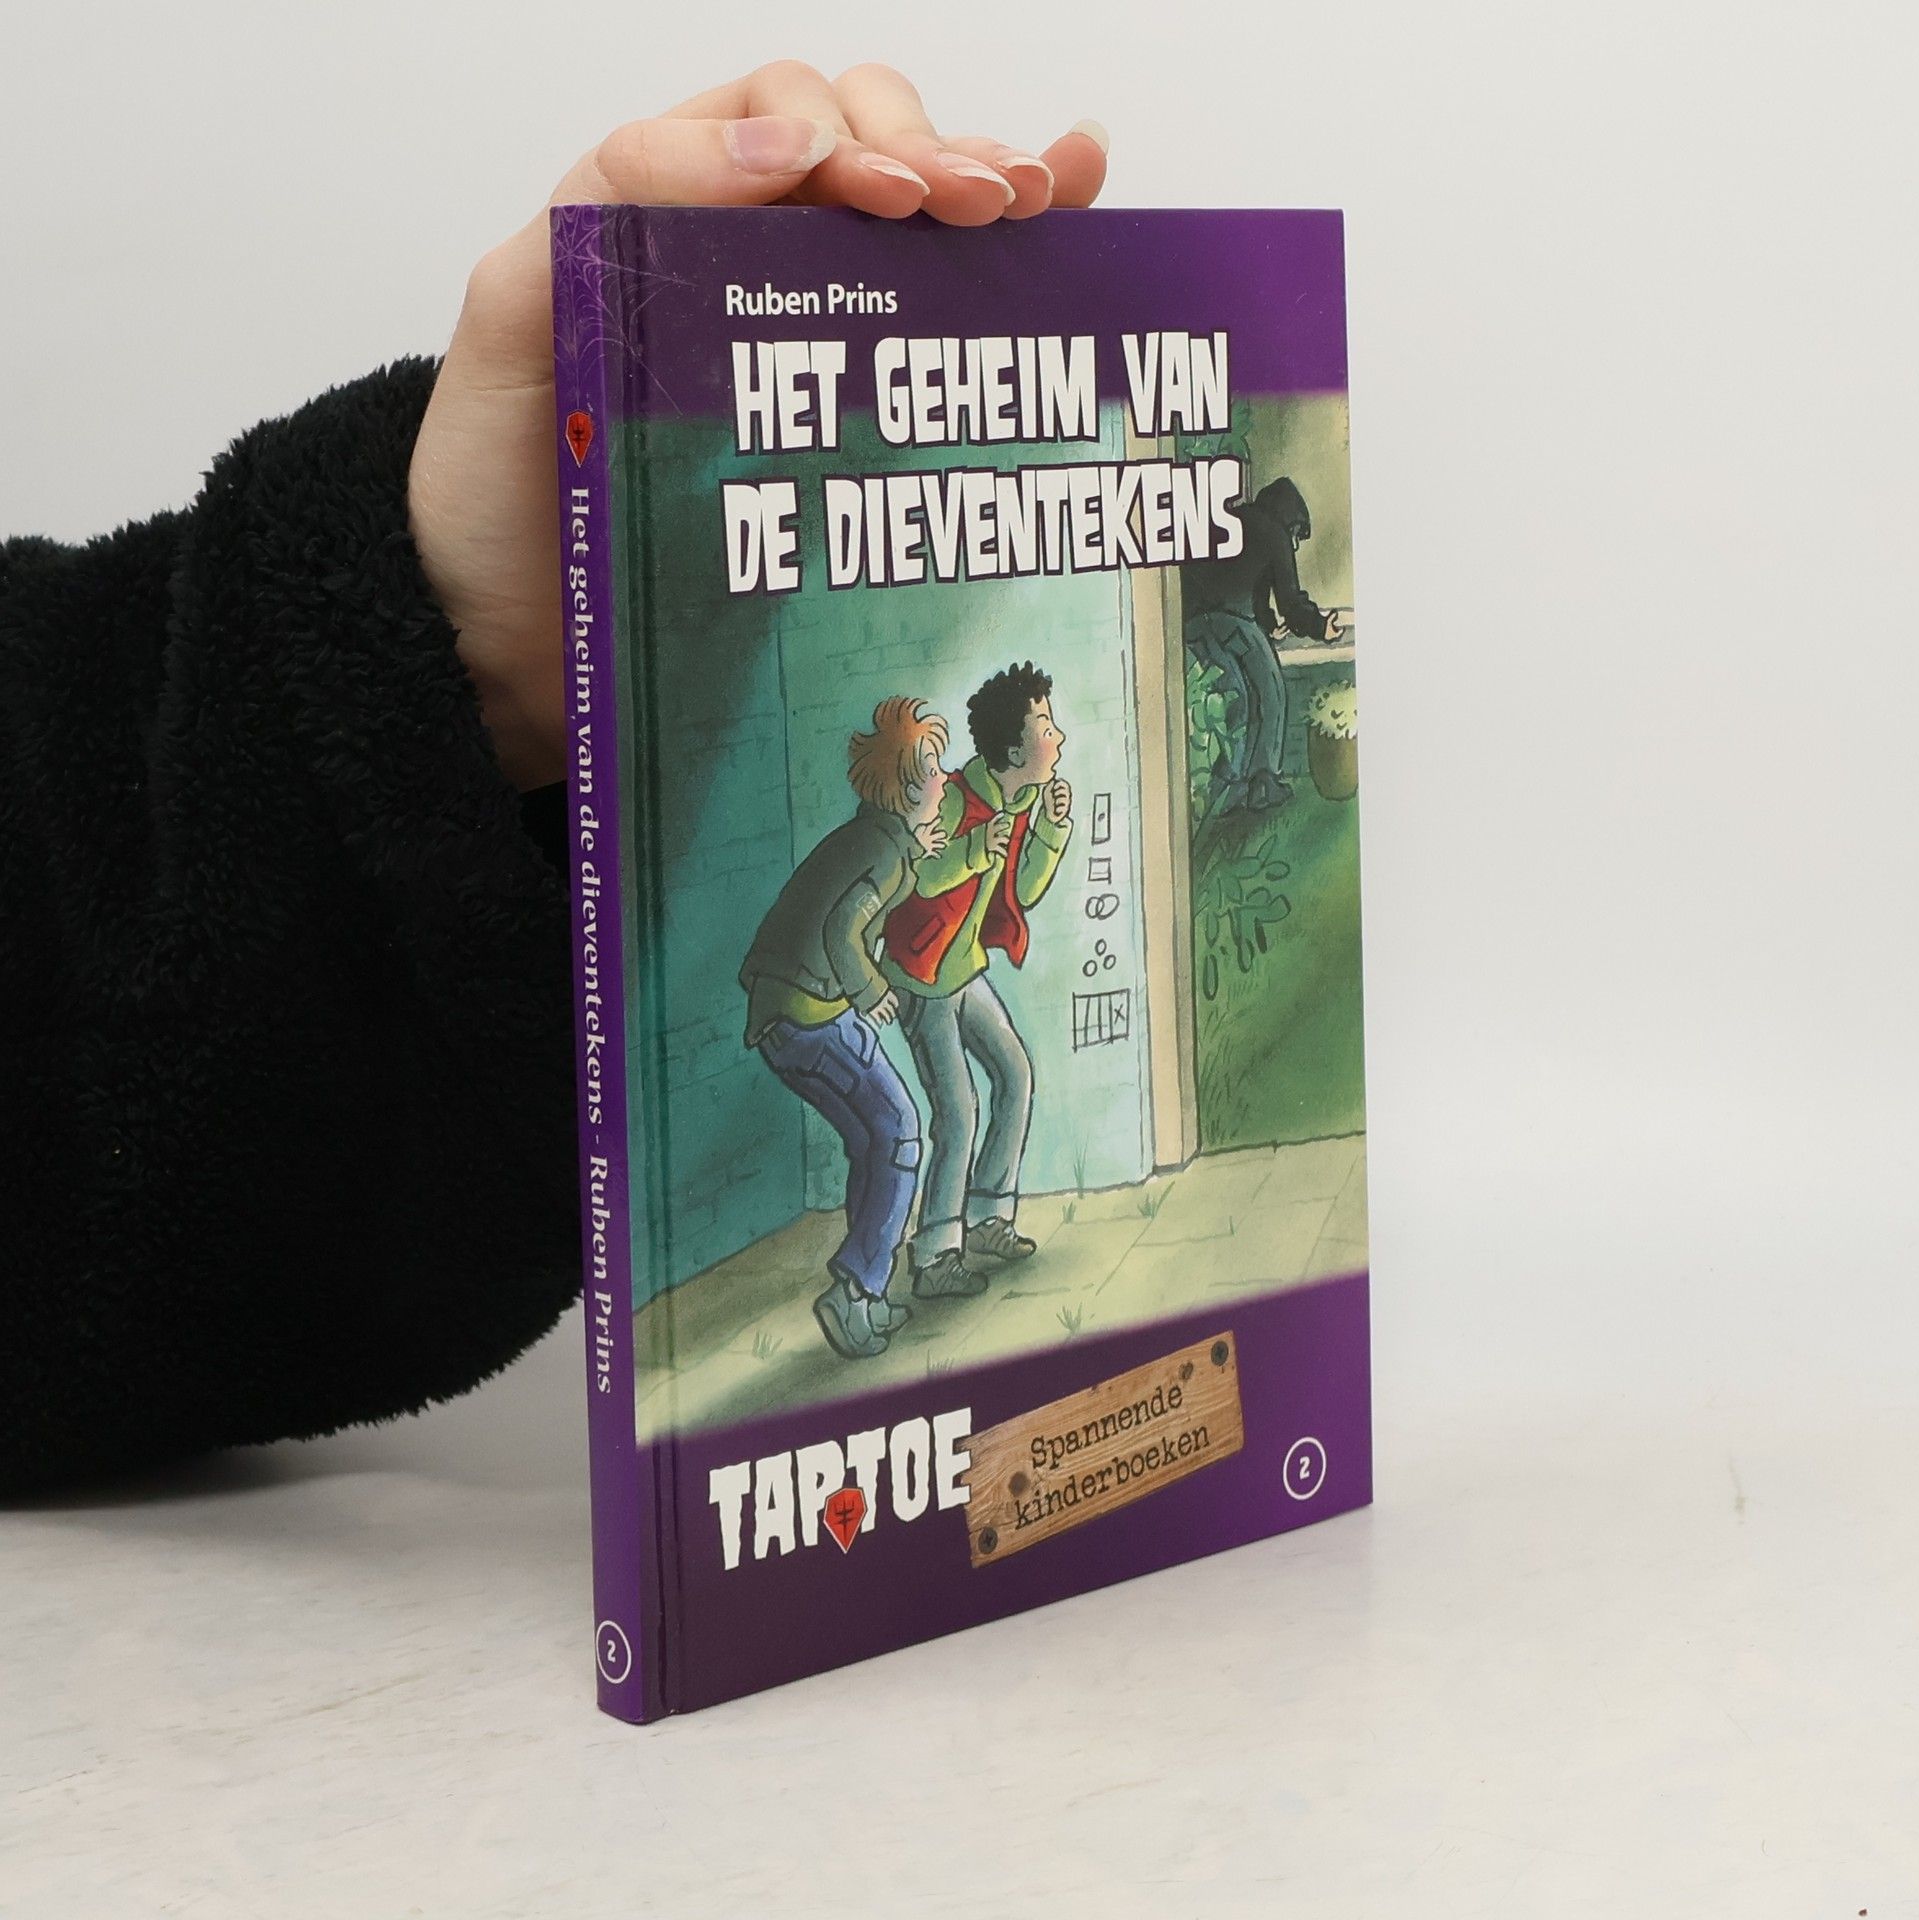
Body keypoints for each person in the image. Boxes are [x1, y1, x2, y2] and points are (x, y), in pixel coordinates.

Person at [0, 63, 1109, 1491]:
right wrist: (902, 962)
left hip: (867, 978)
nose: (970, 764)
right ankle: (881, 1279)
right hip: (841, 996)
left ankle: (946, 1239)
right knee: (911, 1120)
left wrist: (461, 673)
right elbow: (881, 915)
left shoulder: (955, 818)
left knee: (963, 1095)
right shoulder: (907, 833)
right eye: (950, 756)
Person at [740, 699, 951, 1359]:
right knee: (903, 1132)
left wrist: (916, 851)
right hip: (812, 1016)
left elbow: (865, 890)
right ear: (908, 787)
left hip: (782, 1018)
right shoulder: (883, 854)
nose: (945, 778)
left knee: (870, 1139)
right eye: (933, 768)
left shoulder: (877, 840)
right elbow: (843, 927)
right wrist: (873, 990)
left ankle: (867, 1293)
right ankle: (855, 1291)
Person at [881, 664, 1072, 1298]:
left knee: (1014, 1074)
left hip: (961, 970)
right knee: (958, 1113)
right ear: (1014, 751)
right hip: (922, 976)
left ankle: (988, 1218)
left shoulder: (1017, 803)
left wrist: (1050, 830)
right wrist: (974, 847)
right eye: (1045, 727)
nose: (1058, 737)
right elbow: (920, 873)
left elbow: (1023, 891)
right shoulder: (960, 799)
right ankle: (935, 1255)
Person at [1182, 477, 1344, 814]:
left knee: (1235, 697)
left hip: (1194, 622)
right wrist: (1320, 627)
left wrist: (1268, 626)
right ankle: (1263, 784)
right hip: (1233, 622)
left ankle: (1227, 787)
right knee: (1270, 693)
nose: (1294, 545)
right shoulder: (1274, 533)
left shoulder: (1234, 519)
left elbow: (1244, 583)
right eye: (1296, 535)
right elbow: (1290, 602)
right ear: (1290, 520)